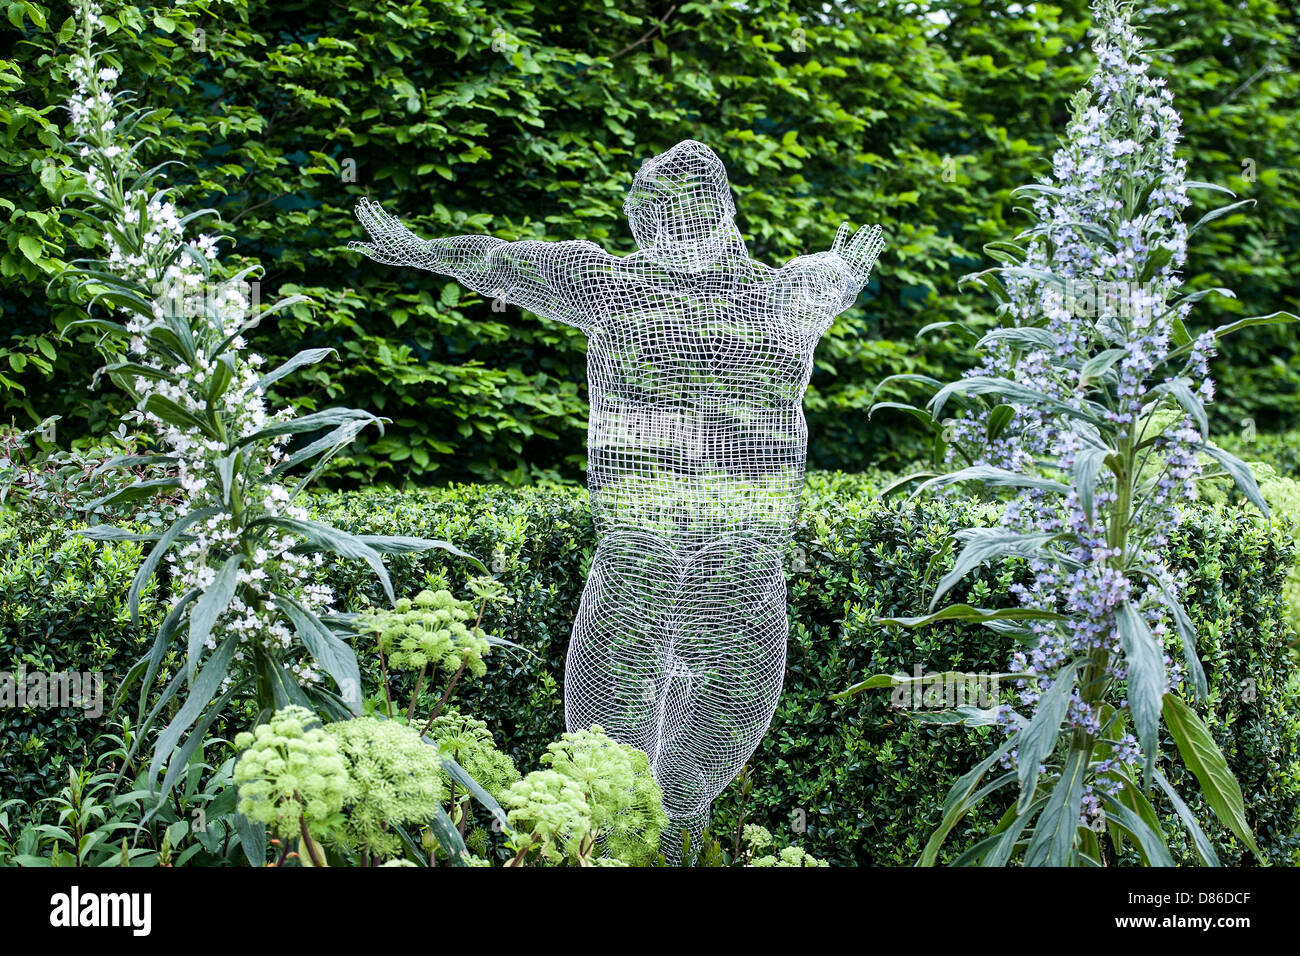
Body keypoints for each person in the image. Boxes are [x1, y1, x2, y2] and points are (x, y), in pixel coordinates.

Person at [351, 139, 884, 860]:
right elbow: (501, 261)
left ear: (720, 211)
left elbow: (498, 261)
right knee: (608, 778)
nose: (662, 227)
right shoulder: (642, 285)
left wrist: (422, 249)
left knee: (679, 789)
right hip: (651, 560)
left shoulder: (777, 293)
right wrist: (424, 250)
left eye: (670, 211)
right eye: (651, 211)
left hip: (737, 569)